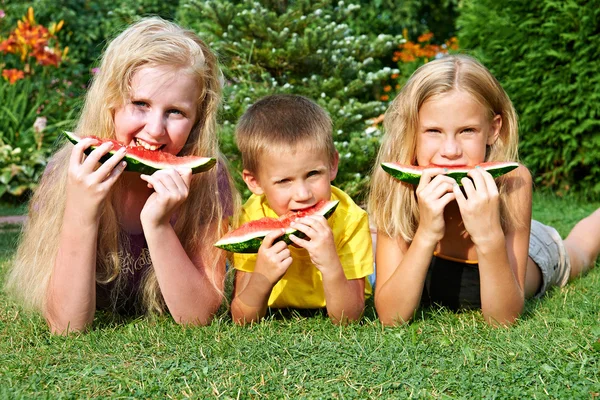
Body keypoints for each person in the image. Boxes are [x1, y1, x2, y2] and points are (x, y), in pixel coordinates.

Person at [4, 17, 238, 334]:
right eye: (140, 103)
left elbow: (196, 317)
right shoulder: (68, 170)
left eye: (176, 112)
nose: (155, 129)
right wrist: (81, 211)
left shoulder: (209, 180)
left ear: (197, 119)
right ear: (110, 102)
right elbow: (66, 326)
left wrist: (158, 225)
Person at [368, 54, 600, 327]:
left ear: (492, 130)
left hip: (524, 249)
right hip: (431, 248)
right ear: (411, 130)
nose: (450, 151)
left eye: (467, 131)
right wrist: (427, 232)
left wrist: (489, 235)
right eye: (433, 131)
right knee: (375, 237)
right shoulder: (397, 184)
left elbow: (503, 319)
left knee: (579, 251)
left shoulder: (513, 182)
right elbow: (391, 318)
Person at [230, 94, 374, 325]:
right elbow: (241, 318)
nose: (303, 194)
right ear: (254, 182)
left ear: (333, 164)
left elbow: (349, 319)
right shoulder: (250, 216)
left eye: (313, 174)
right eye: (284, 181)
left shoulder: (351, 219)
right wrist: (261, 278)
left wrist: (331, 264)